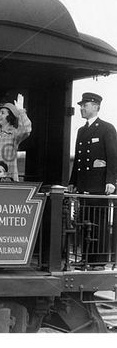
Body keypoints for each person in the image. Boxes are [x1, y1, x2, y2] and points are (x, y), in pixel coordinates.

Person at [68, 92, 117, 268]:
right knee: (84, 222)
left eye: (85, 105)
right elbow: (79, 161)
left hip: (99, 186)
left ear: (96, 107)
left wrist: (111, 181)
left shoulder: (106, 128)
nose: (81, 108)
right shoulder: (82, 131)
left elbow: (113, 157)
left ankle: (100, 260)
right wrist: (73, 181)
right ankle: (86, 258)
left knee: (99, 224)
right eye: (81, 105)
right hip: (84, 186)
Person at [0, 94, 32, 181]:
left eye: (2, 113)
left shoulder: (14, 134)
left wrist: (21, 112)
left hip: (7, 178)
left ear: (10, 116)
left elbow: (26, 129)